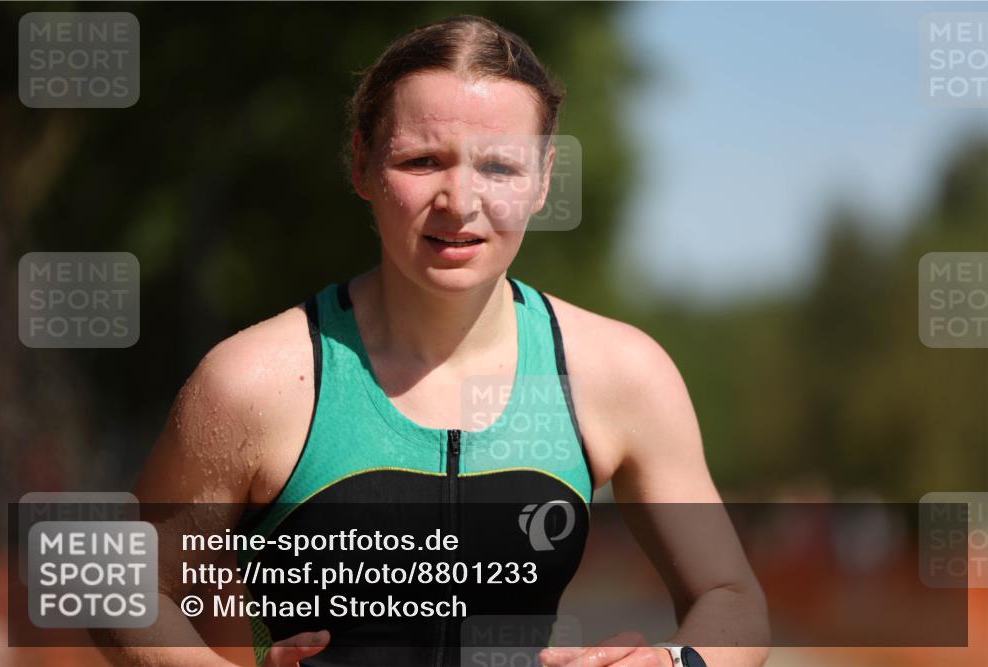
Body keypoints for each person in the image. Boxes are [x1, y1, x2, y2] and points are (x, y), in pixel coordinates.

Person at [102, 14, 769, 667]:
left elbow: (732, 596)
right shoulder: (256, 382)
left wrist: (678, 661)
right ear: (361, 163)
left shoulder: (621, 374)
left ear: (543, 179)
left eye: (500, 167)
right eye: (423, 160)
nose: (459, 200)